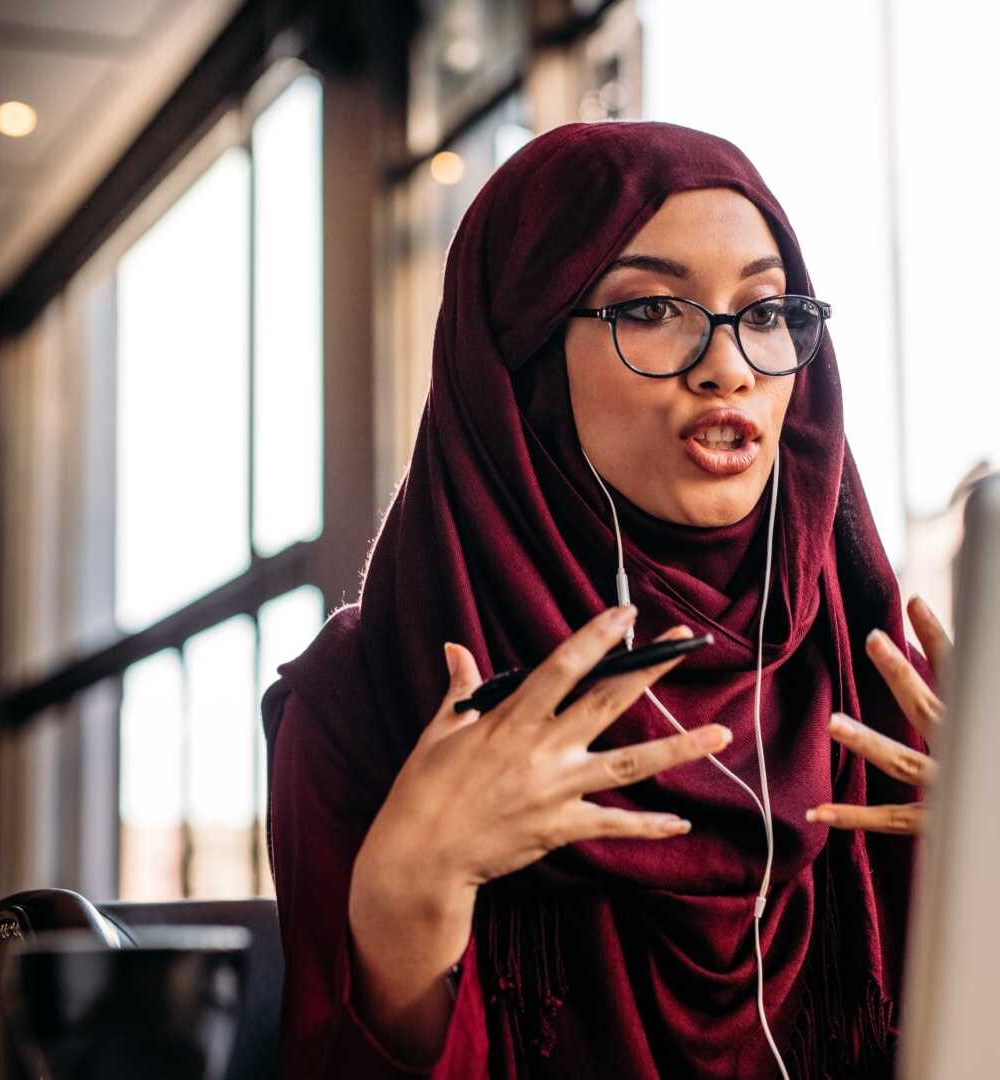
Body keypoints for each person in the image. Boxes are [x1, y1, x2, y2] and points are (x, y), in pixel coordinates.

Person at [261, 120, 950, 1079]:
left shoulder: (871, 685)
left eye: (763, 311)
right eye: (652, 309)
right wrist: (407, 903)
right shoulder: (369, 695)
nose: (730, 366)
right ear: (522, 363)